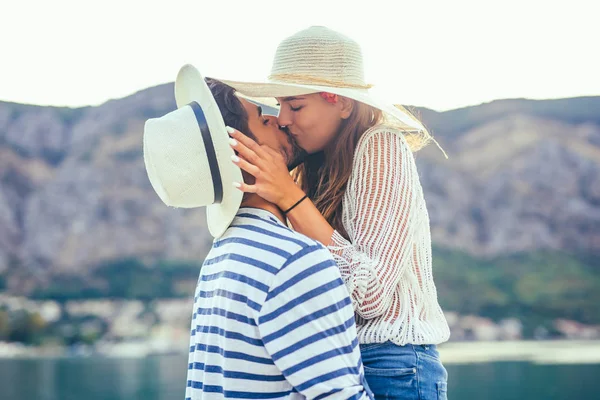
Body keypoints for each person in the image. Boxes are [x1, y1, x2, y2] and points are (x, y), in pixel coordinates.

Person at [218, 26, 451, 399]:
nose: (282, 119)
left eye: (295, 105)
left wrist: (291, 196)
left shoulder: (380, 146)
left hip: (392, 365)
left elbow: (371, 296)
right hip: (336, 363)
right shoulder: (311, 163)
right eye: (279, 105)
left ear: (342, 103)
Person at [143, 65, 373, 399]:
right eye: (262, 119)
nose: (278, 120)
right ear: (240, 153)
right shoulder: (296, 262)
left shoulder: (218, 261)